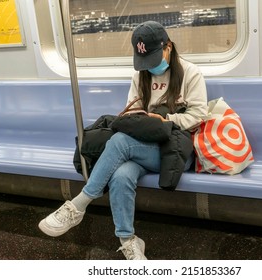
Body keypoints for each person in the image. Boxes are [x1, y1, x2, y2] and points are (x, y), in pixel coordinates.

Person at [38, 21, 208, 260]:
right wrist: (141, 119)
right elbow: (133, 112)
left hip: (176, 151)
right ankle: (129, 240)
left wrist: (163, 119)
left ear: (167, 46)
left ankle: (78, 205)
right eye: (145, 62)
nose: (150, 67)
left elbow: (198, 116)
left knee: (120, 142)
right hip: (144, 146)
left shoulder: (190, 73)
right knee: (121, 176)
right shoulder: (140, 76)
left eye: (154, 59)